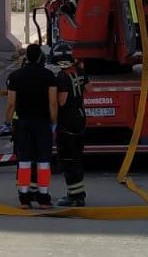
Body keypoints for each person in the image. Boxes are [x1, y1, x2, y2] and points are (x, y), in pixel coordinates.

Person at [5, 43, 59, 208]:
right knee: (43, 161)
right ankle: (43, 197)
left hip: (23, 123)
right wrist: (54, 122)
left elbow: (11, 103)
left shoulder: (15, 76)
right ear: (40, 57)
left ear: (26, 57)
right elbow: (53, 102)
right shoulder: (49, 75)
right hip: (42, 122)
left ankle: (24, 197)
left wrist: (7, 122)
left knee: (24, 161)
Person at [51, 42, 89, 206]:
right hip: (80, 118)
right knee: (77, 158)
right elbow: (90, 89)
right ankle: (79, 193)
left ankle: (74, 197)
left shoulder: (62, 77)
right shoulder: (80, 72)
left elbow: (62, 101)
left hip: (68, 123)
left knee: (68, 159)